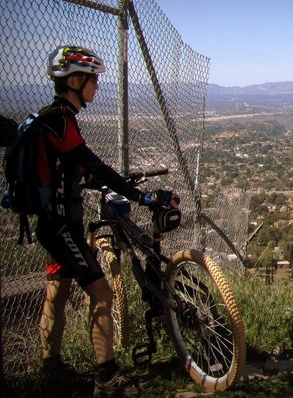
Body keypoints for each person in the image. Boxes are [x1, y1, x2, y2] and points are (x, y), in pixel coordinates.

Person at [36, 45, 177, 396]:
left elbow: (78, 170)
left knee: (56, 291)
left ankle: (50, 371)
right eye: (93, 81)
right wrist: (141, 197)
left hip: (53, 224)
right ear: (74, 80)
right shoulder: (61, 123)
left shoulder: (51, 119)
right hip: (60, 227)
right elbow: (94, 165)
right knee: (101, 293)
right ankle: (107, 378)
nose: (96, 87)